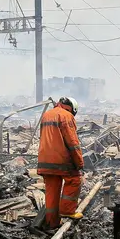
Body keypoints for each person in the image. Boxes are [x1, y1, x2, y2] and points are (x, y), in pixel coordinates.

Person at [37, 96, 84, 228]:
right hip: (61, 159)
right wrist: (79, 162)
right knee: (74, 180)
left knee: (52, 190)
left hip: (44, 160)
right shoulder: (66, 116)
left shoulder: (46, 115)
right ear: (72, 109)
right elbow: (72, 142)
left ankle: (52, 222)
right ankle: (67, 211)